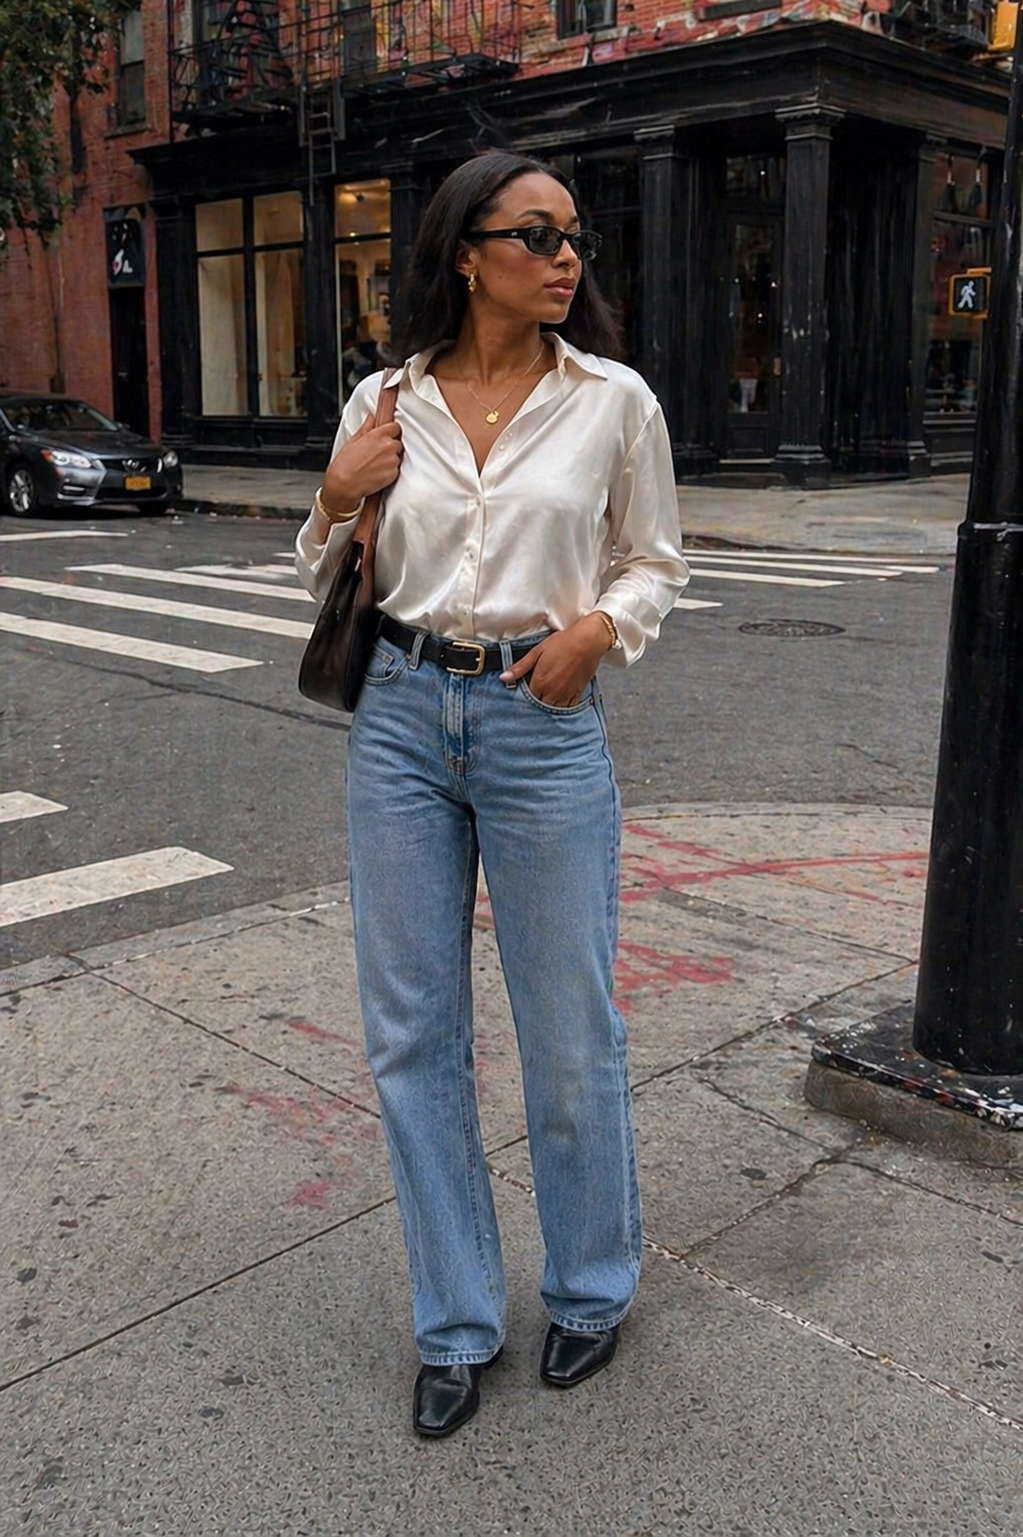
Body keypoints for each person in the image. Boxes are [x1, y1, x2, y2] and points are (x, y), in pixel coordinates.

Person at [295, 150, 689, 1438]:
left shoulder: (613, 401)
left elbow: (656, 559)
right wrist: (336, 495)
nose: (567, 255)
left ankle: (589, 1286)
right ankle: (456, 1320)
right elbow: (326, 575)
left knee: (569, 1027)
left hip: (542, 721)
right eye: (538, 234)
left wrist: (598, 634)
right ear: (468, 251)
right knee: (414, 1034)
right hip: (403, 718)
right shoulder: (386, 398)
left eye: (574, 236)